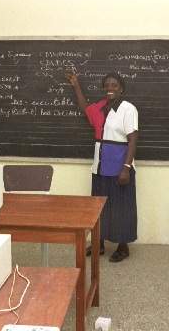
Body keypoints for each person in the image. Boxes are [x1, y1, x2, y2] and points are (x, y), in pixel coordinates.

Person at [66, 71, 138, 262]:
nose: (110, 88)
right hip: (100, 165)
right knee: (99, 207)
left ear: (121, 88)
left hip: (119, 166)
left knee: (121, 207)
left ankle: (123, 247)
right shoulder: (100, 107)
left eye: (114, 85)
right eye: (107, 85)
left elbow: (132, 140)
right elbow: (85, 109)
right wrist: (76, 86)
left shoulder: (128, 109)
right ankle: (99, 244)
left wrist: (126, 168)